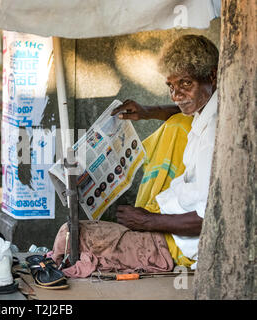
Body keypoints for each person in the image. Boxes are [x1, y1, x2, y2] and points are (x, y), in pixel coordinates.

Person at [51, 34, 219, 276]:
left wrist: (148, 221)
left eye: (185, 84)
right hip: (165, 219)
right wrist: (148, 111)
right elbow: (182, 111)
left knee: (71, 237)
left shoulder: (212, 136)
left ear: (212, 76)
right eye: (171, 86)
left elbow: (207, 219)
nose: (176, 95)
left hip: (177, 243)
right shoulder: (209, 110)